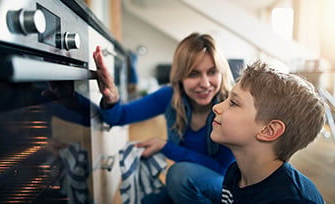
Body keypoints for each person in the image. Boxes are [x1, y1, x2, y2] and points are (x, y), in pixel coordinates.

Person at [93, 33, 235, 203]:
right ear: (180, 76)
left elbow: (223, 169)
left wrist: (166, 147)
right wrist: (111, 96)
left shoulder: (231, 108)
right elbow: (119, 116)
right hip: (188, 182)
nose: (205, 83)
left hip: (226, 186)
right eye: (193, 74)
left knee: (178, 174)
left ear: (222, 73)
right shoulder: (169, 96)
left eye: (212, 72)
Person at [211, 61, 326, 203]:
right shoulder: (235, 174)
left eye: (234, 103)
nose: (216, 107)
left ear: (269, 130)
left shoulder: (292, 199)